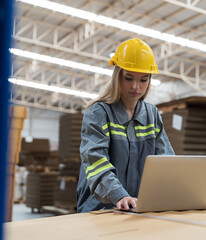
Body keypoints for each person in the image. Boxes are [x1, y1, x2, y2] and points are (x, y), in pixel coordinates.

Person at [76, 38, 174, 213]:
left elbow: (167, 162)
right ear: (117, 75)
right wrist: (118, 194)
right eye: (129, 78)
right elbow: (95, 161)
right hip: (100, 209)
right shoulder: (99, 114)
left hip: (137, 208)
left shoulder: (152, 115)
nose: (136, 86)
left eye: (144, 80)